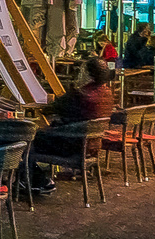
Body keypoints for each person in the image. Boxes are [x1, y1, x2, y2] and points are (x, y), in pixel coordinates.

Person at [28, 56, 117, 193]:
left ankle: (34, 180)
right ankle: (35, 179)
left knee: (28, 140)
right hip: (90, 145)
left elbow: (51, 109)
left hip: (69, 143)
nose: (78, 74)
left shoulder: (80, 95)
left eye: (81, 71)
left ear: (88, 75)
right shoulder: (106, 93)